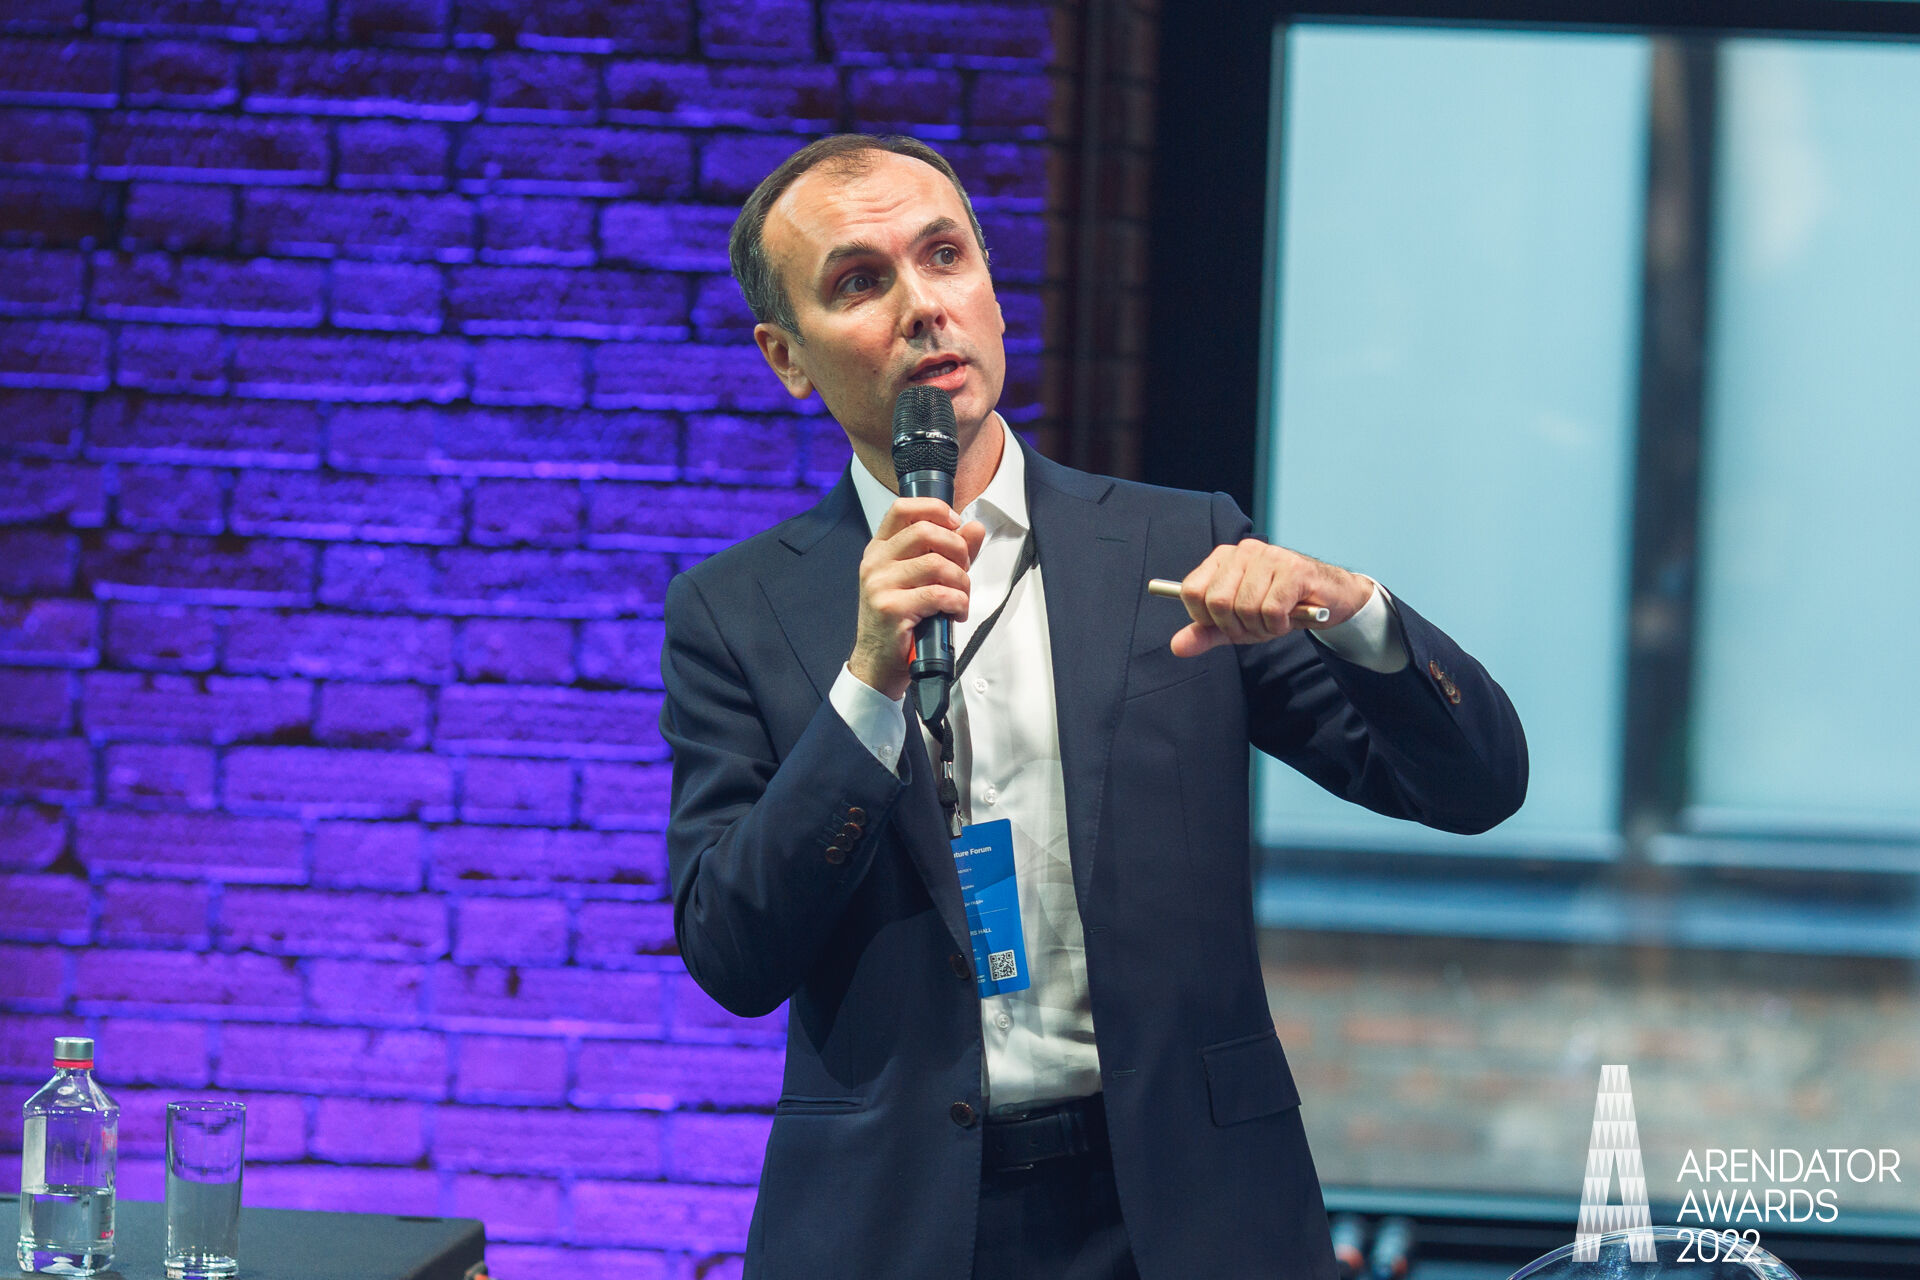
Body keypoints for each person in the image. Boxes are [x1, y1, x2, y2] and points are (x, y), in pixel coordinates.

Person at [660, 134, 1527, 1280]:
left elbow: (1474, 784)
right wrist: (868, 680)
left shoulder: (1174, 542)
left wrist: (1348, 606)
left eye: (945, 255)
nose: (923, 307)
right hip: (897, 1222)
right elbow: (733, 951)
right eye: (861, 281)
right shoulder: (736, 608)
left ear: (993, 291)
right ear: (788, 357)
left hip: (1187, 1208)